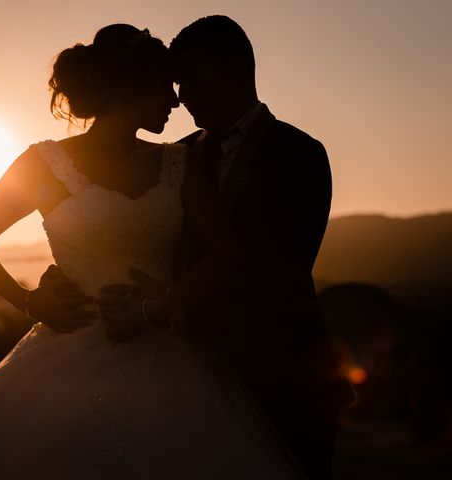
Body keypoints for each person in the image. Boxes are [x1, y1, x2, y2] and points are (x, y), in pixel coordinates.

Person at [0, 24, 306, 479]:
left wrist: (157, 308)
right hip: (63, 357)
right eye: (164, 87)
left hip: (170, 361)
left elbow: (224, 253)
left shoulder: (180, 162)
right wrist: (29, 300)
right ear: (130, 86)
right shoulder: (42, 163)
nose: (175, 101)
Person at [166, 15, 357, 480]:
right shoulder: (178, 157)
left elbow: (279, 267)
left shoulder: (300, 153)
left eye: (192, 78)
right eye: (176, 82)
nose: (180, 95)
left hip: (283, 377)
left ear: (234, 70)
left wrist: (170, 305)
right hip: (189, 376)